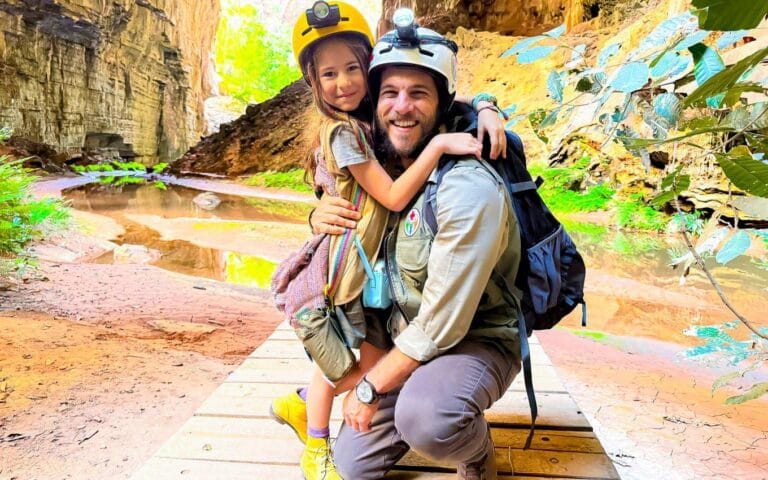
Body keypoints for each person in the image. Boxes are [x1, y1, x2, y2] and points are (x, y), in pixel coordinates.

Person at [269, 3, 509, 479]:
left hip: (466, 334)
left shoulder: (463, 182)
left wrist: (485, 104)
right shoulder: (360, 134)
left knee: (427, 417)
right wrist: (319, 211)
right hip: (385, 310)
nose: (401, 107)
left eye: (352, 69)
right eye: (390, 93)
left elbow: (441, 321)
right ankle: (314, 412)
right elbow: (365, 194)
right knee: (351, 458)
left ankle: (471, 449)